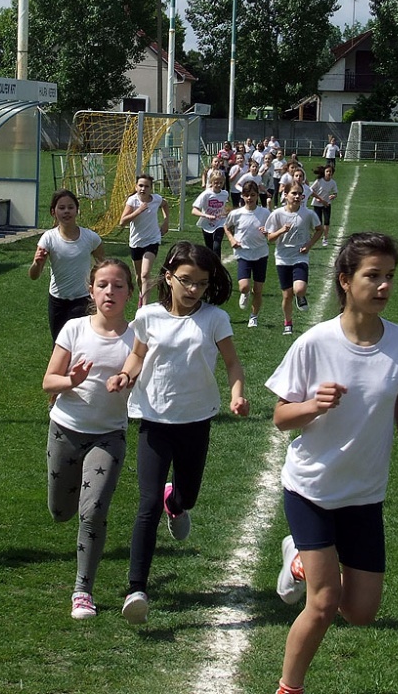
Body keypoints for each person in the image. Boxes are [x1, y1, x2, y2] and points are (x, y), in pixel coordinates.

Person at [265, 232, 398, 694]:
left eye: (390, 276)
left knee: (360, 612)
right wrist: (313, 405)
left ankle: (299, 559)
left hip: (364, 493)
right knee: (323, 604)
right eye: (372, 275)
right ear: (345, 280)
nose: (384, 286)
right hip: (312, 488)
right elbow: (281, 417)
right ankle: (289, 688)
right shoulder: (315, 343)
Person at [107, 241, 249, 624]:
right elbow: (137, 355)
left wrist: (237, 394)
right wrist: (125, 376)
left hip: (196, 420)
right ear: (168, 277)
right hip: (153, 419)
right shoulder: (148, 316)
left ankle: (178, 501)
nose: (193, 289)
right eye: (186, 280)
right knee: (147, 503)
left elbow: (232, 363)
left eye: (201, 283)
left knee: (188, 496)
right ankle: (137, 588)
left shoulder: (215, 319)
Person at [41, 258, 136, 619]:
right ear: (91, 292)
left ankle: (83, 590)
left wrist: (128, 381)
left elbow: (143, 378)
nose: (110, 292)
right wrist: (71, 381)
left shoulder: (136, 338)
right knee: (61, 511)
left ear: (129, 293)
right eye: (102, 285)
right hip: (65, 429)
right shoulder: (75, 329)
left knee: (93, 510)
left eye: (118, 286)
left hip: (109, 436)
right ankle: (65, 510)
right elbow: (48, 381)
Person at [29, 190, 106, 340]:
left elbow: (103, 266)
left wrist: (99, 289)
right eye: (62, 208)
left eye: (70, 207)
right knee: (59, 344)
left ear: (77, 210)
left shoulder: (91, 238)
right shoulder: (48, 238)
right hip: (58, 301)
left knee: (82, 344)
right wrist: (37, 263)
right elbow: (33, 275)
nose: (66, 211)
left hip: (83, 300)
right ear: (53, 212)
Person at [265, 184, 323, 335]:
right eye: (294, 193)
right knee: (286, 295)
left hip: (300, 256)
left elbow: (319, 229)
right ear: (285, 195)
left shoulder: (308, 214)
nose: (297, 196)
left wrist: (309, 244)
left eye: (300, 194)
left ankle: (301, 296)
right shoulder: (277, 214)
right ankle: (288, 323)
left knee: (299, 288)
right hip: (282, 258)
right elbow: (270, 238)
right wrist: (282, 230)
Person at [224, 180, 272, 328]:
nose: (249, 198)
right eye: (246, 195)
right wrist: (232, 239)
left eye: (252, 195)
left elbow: (272, 230)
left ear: (257, 195)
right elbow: (226, 226)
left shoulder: (265, 213)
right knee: (244, 286)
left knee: (258, 289)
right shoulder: (236, 214)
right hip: (243, 253)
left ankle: (253, 316)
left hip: (261, 254)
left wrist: (267, 232)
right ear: (242, 196)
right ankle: (245, 293)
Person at [119, 173, 170, 307]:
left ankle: (145, 307)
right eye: (140, 185)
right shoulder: (132, 201)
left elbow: (165, 204)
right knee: (138, 276)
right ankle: (142, 294)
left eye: (146, 186)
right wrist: (138, 211)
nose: (143, 189)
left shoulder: (156, 199)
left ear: (151, 188)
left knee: (145, 274)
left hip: (152, 240)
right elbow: (122, 222)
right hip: (136, 242)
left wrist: (166, 222)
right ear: (136, 187)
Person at [191, 170, 230, 257]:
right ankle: (210, 264)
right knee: (209, 248)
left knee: (216, 246)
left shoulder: (225, 194)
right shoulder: (206, 194)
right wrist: (206, 215)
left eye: (221, 183)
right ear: (211, 182)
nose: (218, 185)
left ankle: (218, 264)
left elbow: (224, 207)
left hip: (220, 223)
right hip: (206, 223)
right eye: (216, 183)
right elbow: (194, 210)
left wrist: (226, 212)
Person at [309, 166, 339, 247]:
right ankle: (315, 236)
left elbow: (335, 193)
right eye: (327, 171)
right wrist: (317, 198)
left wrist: (333, 196)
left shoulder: (333, 182)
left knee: (327, 221)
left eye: (330, 172)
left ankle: (325, 238)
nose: (329, 173)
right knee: (318, 222)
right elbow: (311, 190)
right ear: (324, 172)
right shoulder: (319, 181)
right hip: (317, 204)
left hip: (326, 204)